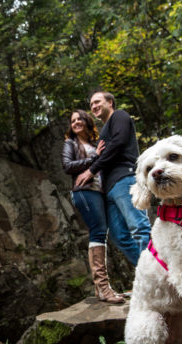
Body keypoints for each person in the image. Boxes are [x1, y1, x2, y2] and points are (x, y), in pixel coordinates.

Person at [75, 90, 151, 267]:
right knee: (119, 236)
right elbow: (105, 155)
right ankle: (148, 273)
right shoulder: (104, 131)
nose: (94, 106)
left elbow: (119, 142)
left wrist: (91, 170)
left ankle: (159, 275)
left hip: (125, 178)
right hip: (109, 189)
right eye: (91, 104)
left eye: (97, 101)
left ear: (110, 102)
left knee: (139, 227)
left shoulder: (120, 116)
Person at [62, 110, 124, 304]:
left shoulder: (96, 144)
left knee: (102, 233)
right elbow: (67, 166)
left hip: (99, 191)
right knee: (97, 232)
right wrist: (93, 158)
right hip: (84, 191)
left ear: (87, 121)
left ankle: (100, 289)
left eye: (79, 118)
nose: (76, 122)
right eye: (73, 121)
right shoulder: (70, 143)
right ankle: (103, 288)